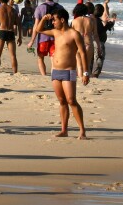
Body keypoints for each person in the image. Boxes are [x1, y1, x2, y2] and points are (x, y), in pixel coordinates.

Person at [37, 8, 89, 139]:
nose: (53, 22)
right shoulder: (55, 32)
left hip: (68, 71)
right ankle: (64, 130)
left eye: (54, 20)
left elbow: (83, 53)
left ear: (62, 20)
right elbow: (39, 30)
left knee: (71, 100)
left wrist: (85, 72)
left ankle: (82, 130)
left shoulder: (74, 34)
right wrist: (44, 18)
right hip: (55, 71)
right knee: (62, 101)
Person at [27, 0, 65, 75]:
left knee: (40, 58)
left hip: (42, 38)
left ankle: (43, 76)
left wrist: (32, 41)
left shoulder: (40, 8)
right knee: (53, 58)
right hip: (55, 37)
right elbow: (64, 23)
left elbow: (36, 26)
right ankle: (53, 75)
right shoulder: (60, 7)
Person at [0, 0, 21, 74]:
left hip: (2, 32)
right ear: (8, 0)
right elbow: (19, 24)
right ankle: (15, 72)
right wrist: (20, 37)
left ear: (0, 0)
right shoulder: (13, 10)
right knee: (13, 55)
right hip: (11, 32)